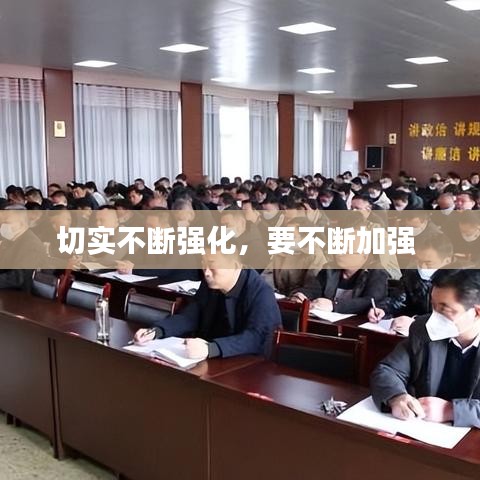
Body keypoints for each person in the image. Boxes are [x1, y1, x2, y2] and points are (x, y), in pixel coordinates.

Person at [370, 269, 480, 427]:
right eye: (433, 307)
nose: (435, 317)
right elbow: (388, 370)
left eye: (444, 309)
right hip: (421, 429)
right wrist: (396, 396)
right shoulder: (423, 329)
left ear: (476, 312)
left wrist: (450, 410)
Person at [133, 251, 281, 360]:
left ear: (235, 265)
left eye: (212, 266)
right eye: (203, 266)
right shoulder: (210, 284)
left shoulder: (261, 292)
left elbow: (255, 338)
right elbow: (191, 316)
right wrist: (157, 331)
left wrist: (211, 348)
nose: (207, 273)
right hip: (211, 358)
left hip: (247, 364)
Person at [367, 234, 453, 335]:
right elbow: (398, 299)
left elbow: (450, 317)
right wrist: (382, 310)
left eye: (428, 263)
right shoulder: (412, 273)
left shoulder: (458, 283)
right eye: (419, 261)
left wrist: (415, 321)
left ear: (447, 261)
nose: (422, 266)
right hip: (407, 332)